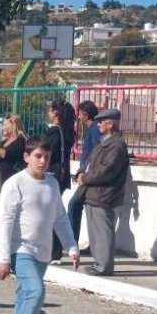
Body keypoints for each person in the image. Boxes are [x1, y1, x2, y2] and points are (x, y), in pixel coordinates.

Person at [0, 137, 80, 314]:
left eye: (47, 157)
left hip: (42, 251)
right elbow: (4, 222)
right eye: (37, 156)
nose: (43, 161)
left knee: (25, 298)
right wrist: (4, 257)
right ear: (26, 157)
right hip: (20, 249)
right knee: (36, 291)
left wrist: (71, 246)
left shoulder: (52, 184)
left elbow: (60, 218)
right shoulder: (15, 184)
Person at [77, 108, 130, 276]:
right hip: (94, 192)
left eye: (102, 122)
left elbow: (106, 170)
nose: (98, 124)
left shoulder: (116, 144)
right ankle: (99, 263)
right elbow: (90, 162)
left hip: (104, 194)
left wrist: (85, 178)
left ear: (110, 124)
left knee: (103, 231)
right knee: (95, 231)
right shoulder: (104, 141)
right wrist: (80, 172)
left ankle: (104, 266)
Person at [45, 100, 76, 262]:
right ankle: (54, 250)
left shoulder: (55, 133)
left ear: (56, 113)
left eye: (50, 110)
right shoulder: (67, 131)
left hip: (52, 175)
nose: (48, 114)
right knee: (55, 213)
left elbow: (47, 153)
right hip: (61, 176)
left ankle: (54, 250)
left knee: (50, 215)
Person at [68, 100, 102, 247]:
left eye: (80, 114)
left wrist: (84, 171)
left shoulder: (94, 129)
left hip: (89, 175)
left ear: (86, 115)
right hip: (86, 172)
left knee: (74, 204)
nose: (78, 117)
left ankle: (71, 242)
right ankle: (91, 245)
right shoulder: (91, 128)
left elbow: (96, 151)